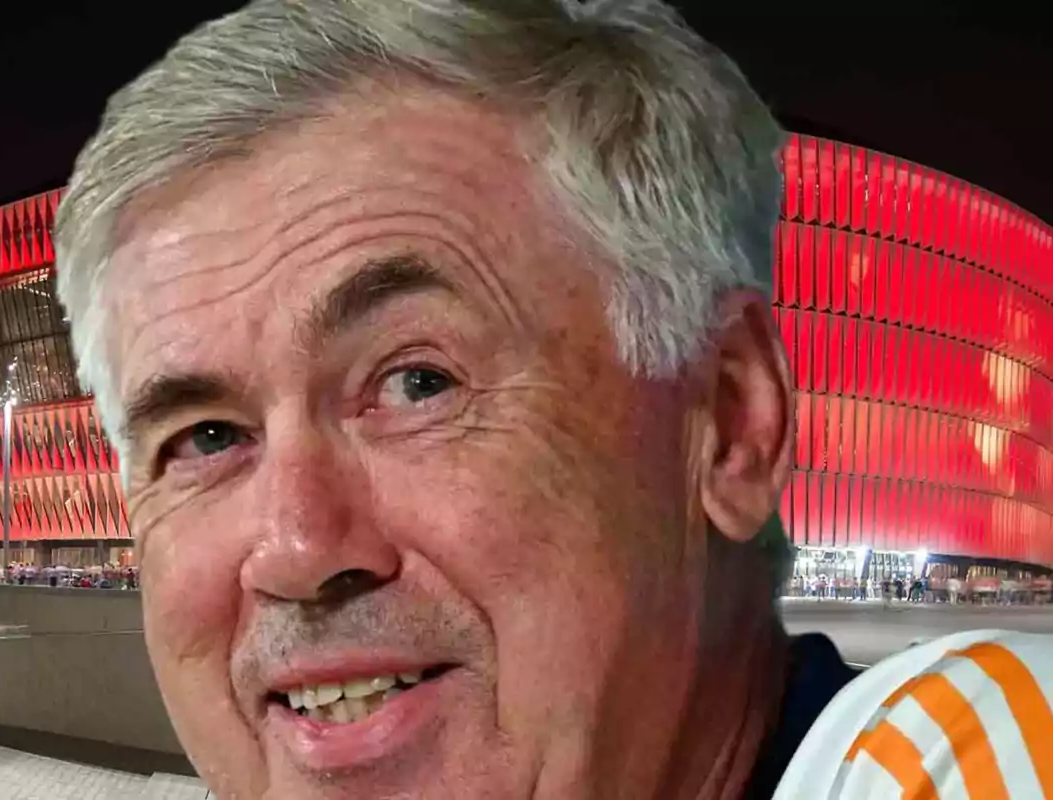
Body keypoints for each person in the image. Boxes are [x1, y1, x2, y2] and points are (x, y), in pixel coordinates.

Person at [54, 2, 1053, 797]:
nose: (298, 546)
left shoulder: (969, 747)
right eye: (206, 436)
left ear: (732, 423)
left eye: (416, 380)